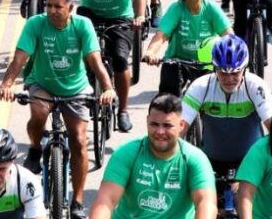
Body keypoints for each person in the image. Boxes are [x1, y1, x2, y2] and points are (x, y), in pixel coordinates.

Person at [0, 0, 117, 219]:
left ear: (70, 8)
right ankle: (34, 148)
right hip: (42, 83)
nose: (51, 10)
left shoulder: (82, 25)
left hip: (76, 88)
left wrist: (109, 88)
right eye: (48, 5)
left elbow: (95, 61)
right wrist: (7, 83)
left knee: (80, 140)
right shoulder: (35, 24)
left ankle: (77, 201)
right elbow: (21, 57)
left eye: (58, 6)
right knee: (39, 114)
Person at [62, 0, 145, 132]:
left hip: (120, 17)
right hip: (90, 14)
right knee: (82, 56)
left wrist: (140, 15)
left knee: (119, 59)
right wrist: (61, 6)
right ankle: (86, 92)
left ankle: (123, 110)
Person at [89, 93, 217, 219]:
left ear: (181, 125)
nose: (160, 132)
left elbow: (206, 203)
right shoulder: (127, 153)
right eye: (154, 124)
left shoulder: (195, 159)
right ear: (147, 121)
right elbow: (106, 201)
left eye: (167, 125)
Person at [181, 36, 272, 187]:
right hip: (210, 162)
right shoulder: (200, 87)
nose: (229, 79)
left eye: (235, 73)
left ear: (244, 68)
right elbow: (179, 128)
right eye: (223, 73)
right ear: (214, 68)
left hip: (250, 162)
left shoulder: (256, 87)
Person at [145, 0, 230, 94]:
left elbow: (228, 36)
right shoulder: (176, 8)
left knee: (218, 100)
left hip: (208, 64)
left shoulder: (211, 9)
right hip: (177, 61)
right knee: (166, 102)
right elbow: (161, 36)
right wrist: (150, 52)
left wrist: (231, 56)